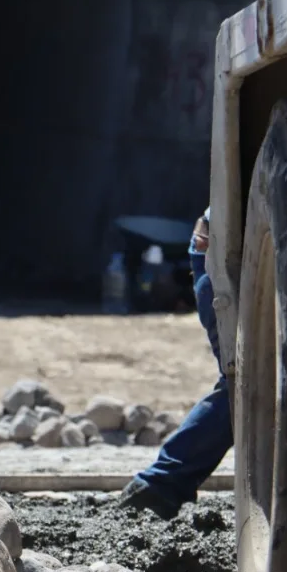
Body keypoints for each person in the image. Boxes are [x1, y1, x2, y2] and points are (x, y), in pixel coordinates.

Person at [118, 207, 232, 519]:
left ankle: (160, 483)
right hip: (221, 254)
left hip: (219, 247)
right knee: (244, 384)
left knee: (245, 386)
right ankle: (158, 485)